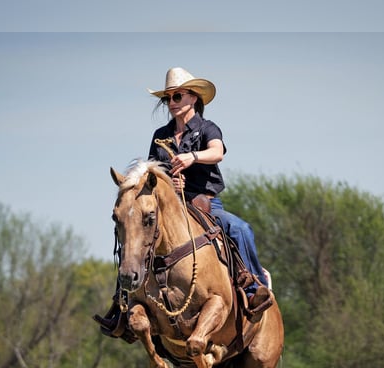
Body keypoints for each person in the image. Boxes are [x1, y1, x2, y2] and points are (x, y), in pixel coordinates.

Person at [95, 67, 272, 338]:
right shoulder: (160, 135)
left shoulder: (207, 128)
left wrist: (193, 158)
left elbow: (217, 152)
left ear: (193, 98)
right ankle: (123, 304)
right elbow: (151, 172)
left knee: (239, 229)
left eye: (177, 96)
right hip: (169, 208)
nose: (172, 103)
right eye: (168, 99)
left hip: (205, 204)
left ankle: (253, 288)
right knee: (137, 236)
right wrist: (168, 184)